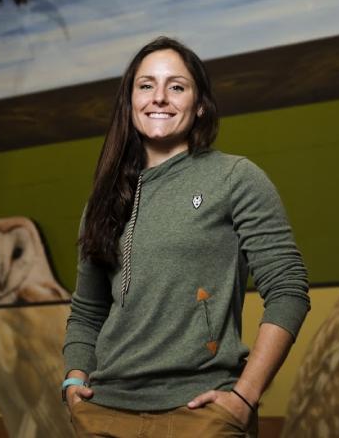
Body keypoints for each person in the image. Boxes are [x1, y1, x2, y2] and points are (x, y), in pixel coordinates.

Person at [62, 37, 310, 438]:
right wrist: (74, 383)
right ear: (129, 102)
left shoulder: (235, 178)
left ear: (199, 106)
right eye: (146, 85)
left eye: (176, 86)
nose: (159, 97)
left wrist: (245, 396)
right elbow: (88, 311)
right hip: (103, 413)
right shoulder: (103, 200)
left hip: (201, 413)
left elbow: (288, 290)